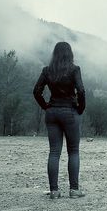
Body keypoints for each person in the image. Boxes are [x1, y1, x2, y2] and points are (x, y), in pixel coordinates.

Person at [33, 41, 86, 199]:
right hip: (70, 112)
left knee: (54, 153)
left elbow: (36, 91)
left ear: (54, 54)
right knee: (73, 151)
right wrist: (80, 108)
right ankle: (74, 190)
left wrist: (46, 106)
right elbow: (81, 90)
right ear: (70, 54)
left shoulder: (47, 71)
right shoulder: (74, 69)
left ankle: (54, 191)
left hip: (52, 112)